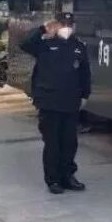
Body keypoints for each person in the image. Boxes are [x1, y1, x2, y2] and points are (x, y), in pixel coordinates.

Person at [20, 13, 91, 195]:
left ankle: (68, 175)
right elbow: (24, 43)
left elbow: (85, 73)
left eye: (69, 24)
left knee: (69, 143)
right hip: (49, 102)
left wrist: (85, 95)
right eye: (62, 23)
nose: (66, 27)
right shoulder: (45, 44)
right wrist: (43, 29)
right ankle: (53, 179)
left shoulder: (78, 46)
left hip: (70, 101)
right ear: (56, 25)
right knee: (52, 143)